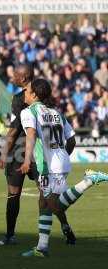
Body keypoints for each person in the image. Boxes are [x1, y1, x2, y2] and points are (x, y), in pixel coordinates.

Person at [18, 78, 108, 257]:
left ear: (35, 94)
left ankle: (89, 181)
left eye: (27, 91)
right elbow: (72, 139)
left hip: (48, 166)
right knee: (44, 203)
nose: (24, 94)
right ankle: (42, 248)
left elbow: (31, 134)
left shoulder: (29, 112)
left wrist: (27, 160)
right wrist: (62, 155)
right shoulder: (56, 113)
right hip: (61, 161)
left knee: (55, 205)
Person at [0, 65, 75, 246]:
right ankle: (64, 227)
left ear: (23, 78)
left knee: (16, 195)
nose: (12, 76)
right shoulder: (45, 93)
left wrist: (4, 152)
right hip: (39, 153)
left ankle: (10, 236)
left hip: (25, 152)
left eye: (15, 74)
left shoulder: (20, 99)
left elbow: (15, 129)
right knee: (47, 196)